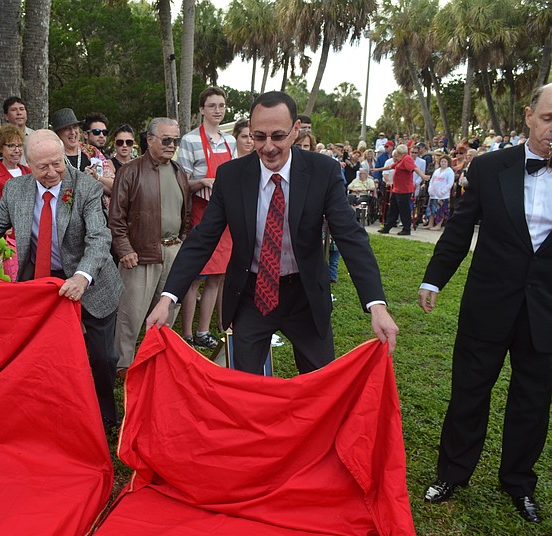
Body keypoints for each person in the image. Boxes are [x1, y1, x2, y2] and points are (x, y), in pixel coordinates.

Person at [146, 91, 398, 376]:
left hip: (305, 295)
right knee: (246, 387)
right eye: (259, 136)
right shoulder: (231, 177)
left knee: (320, 384)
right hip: (253, 294)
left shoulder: (322, 172)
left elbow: (350, 237)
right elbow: (202, 239)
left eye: (277, 136)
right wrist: (168, 298)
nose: (268, 147)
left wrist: (376, 305)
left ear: (295, 131)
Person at [418, 84, 552, 524]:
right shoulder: (491, 166)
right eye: (549, 119)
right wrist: (434, 278)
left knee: (532, 401)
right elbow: (459, 229)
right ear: (529, 116)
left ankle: (518, 482)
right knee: (470, 392)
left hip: (545, 310)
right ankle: (452, 473)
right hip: (489, 301)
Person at [0, 130, 124, 431]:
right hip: (41, 281)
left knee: (103, 356)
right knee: (42, 353)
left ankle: (105, 416)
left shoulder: (86, 187)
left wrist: (82, 276)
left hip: (90, 280)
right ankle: (47, 412)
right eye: (43, 167)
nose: (52, 173)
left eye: (57, 164)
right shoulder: (16, 190)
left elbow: (98, 238)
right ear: (28, 163)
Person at [109, 118, 191, 377]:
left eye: (175, 141)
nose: (171, 145)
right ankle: (123, 364)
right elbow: (116, 217)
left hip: (173, 250)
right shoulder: (130, 171)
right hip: (140, 253)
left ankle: (155, 359)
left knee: (168, 311)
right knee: (130, 314)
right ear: (150, 140)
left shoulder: (179, 171)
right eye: (166, 140)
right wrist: (124, 249)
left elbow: (185, 215)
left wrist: (184, 244)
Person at [177, 86, 236, 349]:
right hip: (201, 212)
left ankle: (203, 332)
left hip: (224, 215)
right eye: (212, 105)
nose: (217, 110)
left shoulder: (229, 141)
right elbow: (182, 182)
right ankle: (187, 334)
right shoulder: (189, 140)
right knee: (195, 276)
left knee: (218, 276)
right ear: (201, 109)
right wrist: (203, 181)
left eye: (221, 106)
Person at [50, 108, 114, 200]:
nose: (72, 132)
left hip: (97, 209)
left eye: (75, 127)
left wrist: (97, 177)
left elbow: (114, 187)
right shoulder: (53, 157)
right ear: (58, 134)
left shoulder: (92, 152)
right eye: (67, 129)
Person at [375, 144, 428, 236]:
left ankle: (406, 229)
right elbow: (391, 166)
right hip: (397, 189)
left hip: (404, 190)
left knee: (404, 210)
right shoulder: (401, 160)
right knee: (393, 209)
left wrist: (422, 176)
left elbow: (415, 168)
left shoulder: (407, 159)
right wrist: (377, 169)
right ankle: (387, 227)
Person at [0, 124, 31, 197]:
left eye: (19, 145)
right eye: (11, 146)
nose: (17, 150)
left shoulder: (29, 172)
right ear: (0, 148)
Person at [423, 155, 454, 230]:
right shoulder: (437, 170)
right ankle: (430, 224)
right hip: (433, 194)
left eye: (445, 162)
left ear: (448, 163)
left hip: (442, 196)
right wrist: (430, 190)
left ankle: (438, 225)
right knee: (431, 210)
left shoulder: (450, 172)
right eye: (442, 161)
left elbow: (450, 184)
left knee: (440, 211)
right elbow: (432, 181)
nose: (443, 163)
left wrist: (443, 192)